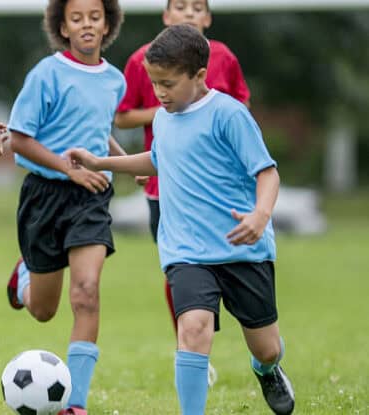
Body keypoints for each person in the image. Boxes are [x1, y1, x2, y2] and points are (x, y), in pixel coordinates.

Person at [65, 24, 295, 415]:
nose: (159, 94)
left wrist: (260, 214)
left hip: (241, 249)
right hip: (186, 250)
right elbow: (158, 159)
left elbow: (267, 172)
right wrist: (101, 161)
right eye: (155, 83)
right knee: (192, 329)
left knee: (266, 346)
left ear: (199, 75)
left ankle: (267, 370)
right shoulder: (164, 118)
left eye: (168, 84)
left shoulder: (229, 115)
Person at [114, 0, 251, 387]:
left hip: (220, 191)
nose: (189, 13)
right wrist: (172, 103)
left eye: (197, 7)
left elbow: (240, 108)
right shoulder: (144, 60)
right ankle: (192, 349)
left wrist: (202, 106)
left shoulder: (224, 58)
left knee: (228, 268)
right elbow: (122, 115)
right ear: (166, 16)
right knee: (181, 269)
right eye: (180, 6)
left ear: (207, 17)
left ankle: (256, 343)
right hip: (166, 187)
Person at [5, 1, 125, 414]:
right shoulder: (46, 74)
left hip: (91, 197)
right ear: (63, 26)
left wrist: (124, 163)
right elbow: (19, 139)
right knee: (43, 310)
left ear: (108, 22)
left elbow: (97, 129)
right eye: (77, 18)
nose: (87, 24)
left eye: (95, 16)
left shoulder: (115, 80)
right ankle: (22, 279)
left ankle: (75, 404)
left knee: (87, 293)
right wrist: (67, 169)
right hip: (44, 196)